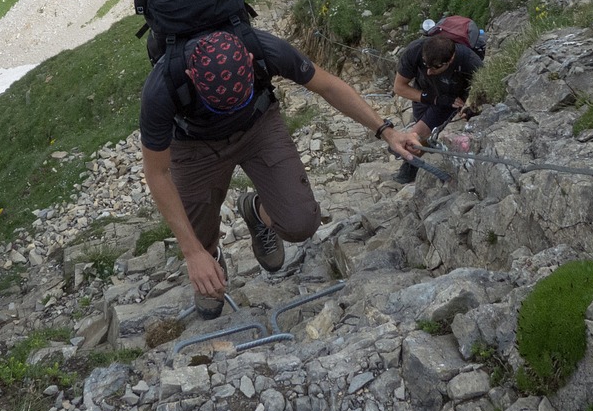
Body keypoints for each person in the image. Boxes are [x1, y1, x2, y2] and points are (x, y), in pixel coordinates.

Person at [139, 29, 422, 319]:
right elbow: (158, 173)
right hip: (193, 144)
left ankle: (255, 211)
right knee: (196, 236)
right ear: (190, 75)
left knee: (301, 223)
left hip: (258, 125)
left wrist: (386, 131)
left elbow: (328, 86)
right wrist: (193, 253)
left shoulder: (264, 47)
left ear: (249, 61)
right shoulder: (161, 87)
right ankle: (211, 257)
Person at [391, 34, 483, 183]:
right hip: (424, 93)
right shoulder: (414, 51)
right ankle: (414, 160)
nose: (429, 71)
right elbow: (399, 87)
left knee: (419, 132)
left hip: (454, 98)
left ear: (451, 60)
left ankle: (410, 165)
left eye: (435, 68)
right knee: (420, 133)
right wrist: (433, 98)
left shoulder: (468, 60)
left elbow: (483, 89)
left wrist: (470, 106)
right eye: (426, 65)